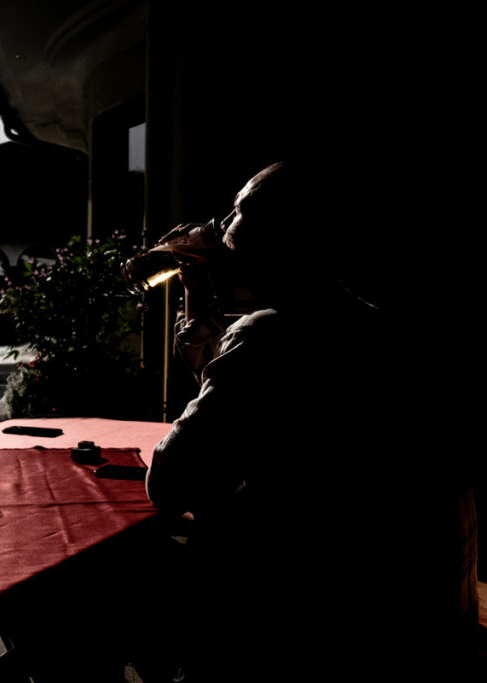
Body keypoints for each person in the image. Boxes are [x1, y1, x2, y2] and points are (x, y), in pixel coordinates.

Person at [145, 162, 479, 682]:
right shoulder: (380, 330)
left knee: (111, 578)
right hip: (412, 620)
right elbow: (263, 403)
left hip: (303, 626)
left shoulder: (266, 338)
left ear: (268, 243)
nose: (224, 229)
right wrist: (200, 301)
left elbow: (172, 481)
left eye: (237, 216)